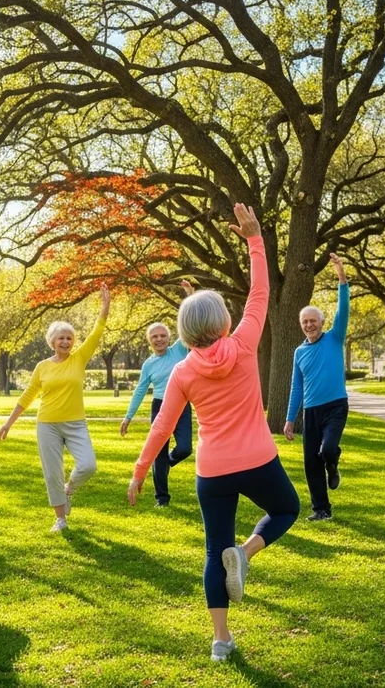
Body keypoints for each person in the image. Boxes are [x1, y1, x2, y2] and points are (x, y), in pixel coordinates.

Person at [128, 203, 300, 663]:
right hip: (259, 460)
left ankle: (220, 641)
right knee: (287, 508)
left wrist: (141, 470)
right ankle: (245, 554)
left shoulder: (182, 371)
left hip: (213, 471)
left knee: (211, 552)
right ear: (224, 321)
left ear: (184, 332)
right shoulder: (243, 345)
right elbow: (260, 293)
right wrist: (255, 240)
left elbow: (163, 425)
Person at [0, 284, 111, 533]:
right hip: (47, 424)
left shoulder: (79, 359)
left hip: (75, 423)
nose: (66, 341)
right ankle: (60, 519)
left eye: (69, 338)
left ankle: (69, 489)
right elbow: (28, 395)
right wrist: (9, 423)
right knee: (52, 473)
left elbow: (96, 334)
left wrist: (105, 308)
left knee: (88, 465)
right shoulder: (42, 367)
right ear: (52, 342)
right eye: (61, 338)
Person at [283, 253, 350, 522]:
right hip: (311, 412)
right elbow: (295, 387)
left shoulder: (334, 338)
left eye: (313, 320)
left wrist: (341, 277)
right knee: (311, 462)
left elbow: (343, 309)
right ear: (302, 326)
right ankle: (321, 509)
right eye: (305, 322)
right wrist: (289, 420)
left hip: (335, 406)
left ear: (322, 322)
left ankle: (332, 465)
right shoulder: (299, 352)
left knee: (327, 450)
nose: (309, 324)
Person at [120, 282, 194, 507]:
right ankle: (162, 498)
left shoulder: (180, 349)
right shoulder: (148, 364)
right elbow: (140, 390)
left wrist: (190, 297)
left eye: (162, 335)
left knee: (185, 448)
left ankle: (168, 463)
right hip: (160, 405)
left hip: (182, 404)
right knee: (158, 453)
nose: (159, 339)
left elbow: (189, 324)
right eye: (155, 337)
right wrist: (128, 416)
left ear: (169, 337)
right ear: (149, 341)